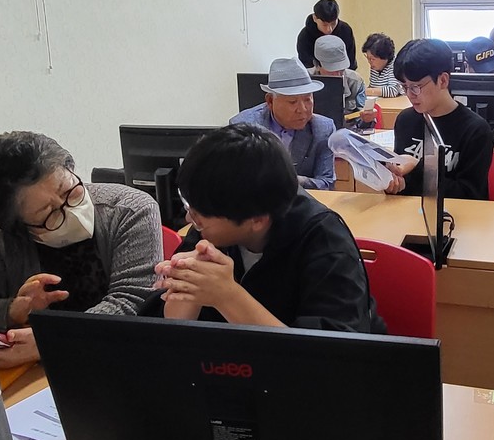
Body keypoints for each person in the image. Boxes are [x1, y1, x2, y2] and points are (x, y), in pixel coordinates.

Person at [0, 131, 162, 366]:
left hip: (125, 362)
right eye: (48, 214)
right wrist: (13, 310)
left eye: (70, 191)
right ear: (20, 229)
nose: (71, 211)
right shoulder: (8, 244)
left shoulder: (129, 210)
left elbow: (134, 303)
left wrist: (49, 341)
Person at [153, 124, 384, 333]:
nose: (190, 219)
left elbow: (326, 356)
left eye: (199, 216)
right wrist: (188, 285)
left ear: (257, 220)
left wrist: (227, 296)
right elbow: (174, 330)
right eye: (190, 207)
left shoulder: (325, 242)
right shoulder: (212, 224)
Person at [386, 39, 493, 200]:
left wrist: (419, 167)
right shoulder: (406, 120)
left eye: (416, 87)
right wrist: (392, 180)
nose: (409, 94)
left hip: (457, 213)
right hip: (409, 211)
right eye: (404, 87)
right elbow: (403, 185)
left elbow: (470, 195)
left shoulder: (475, 130)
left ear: (443, 80)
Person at [230, 57, 335, 190]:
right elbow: (236, 182)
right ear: (270, 101)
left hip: (304, 200)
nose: (302, 109)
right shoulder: (243, 127)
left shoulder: (323, 128)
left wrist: (294, 180)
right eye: (292, 102)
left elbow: (327, 184)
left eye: (307, 99)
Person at [308, 35, 366, 115]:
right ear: (317, 65)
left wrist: (367, 118)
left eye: (341, 70)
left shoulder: (355, 82)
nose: (338, 75)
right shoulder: (305, 82)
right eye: (331, 70)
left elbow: (362, 115)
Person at [296, 0, 357, 71]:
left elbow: (351, 62)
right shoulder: (305, 36)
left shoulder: (345, 31)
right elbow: (306, 66)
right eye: (324, 25)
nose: (329, 29)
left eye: (333, 24)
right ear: (315, 18)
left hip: (342, 74)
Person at [362, 33, 405, 98]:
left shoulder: (395, 64)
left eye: (372, 59)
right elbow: (373, 87)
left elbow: (392, 91)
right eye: (368, 58)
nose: (369, 62)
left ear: (384, 57)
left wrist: (364, 91)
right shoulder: (375, 67)